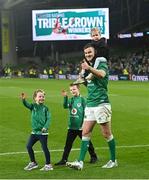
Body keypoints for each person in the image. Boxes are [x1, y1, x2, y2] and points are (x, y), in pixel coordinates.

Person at [66, 43, 117, 170]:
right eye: (86, 53)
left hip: (101, 103)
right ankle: (80, 162)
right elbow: (89, 85)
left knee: (106, 133)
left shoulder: (101, 62)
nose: (88, 54)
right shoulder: (87, 67)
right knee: (85, 131)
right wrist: (80, 80)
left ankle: (113, 160)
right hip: (90, 104)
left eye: (90, 52)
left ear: (94, 52)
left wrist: (88, 68)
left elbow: (102, 74)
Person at [55, 83, 98, 166]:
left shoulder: (82, 100)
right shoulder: (71, 100)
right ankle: (64, 159)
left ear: (78, 89)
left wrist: (84, 124)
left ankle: (94, 156)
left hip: (81, 127)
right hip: (71, 126)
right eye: (71, 90)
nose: (72, 91)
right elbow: (65, 106)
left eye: (74, 89)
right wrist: (65, 97)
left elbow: (87, 112)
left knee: (87, 142)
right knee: (68, 144)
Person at [20, 89, 53, 171]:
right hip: (34, 132)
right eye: (39, 96)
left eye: (43, 96)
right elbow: (26, 104)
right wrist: (23, 99)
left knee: (44, 148)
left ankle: (48, 164)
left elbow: (48, 119)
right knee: (28, 146)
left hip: (43, 133)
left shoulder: (46, 108)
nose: (41, 98)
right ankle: (33, 162)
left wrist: (45, 127)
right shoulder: (33, 106)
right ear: (35, 98)